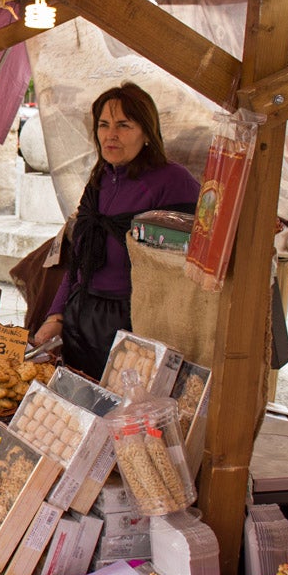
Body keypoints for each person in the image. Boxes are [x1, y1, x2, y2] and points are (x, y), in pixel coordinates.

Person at [33, 83, 200, 379]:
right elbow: (80, 263)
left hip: (136, 328)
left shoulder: (173, 182)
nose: (111, 135)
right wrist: (56, 315)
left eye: (124, 125)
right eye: (104, 125)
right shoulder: (100, 179)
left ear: (147, 131)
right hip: (81, 319)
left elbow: (183, 275)